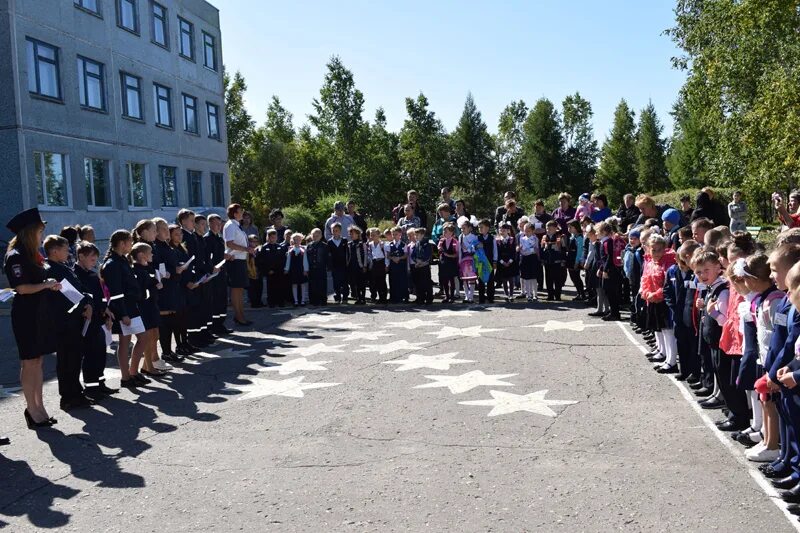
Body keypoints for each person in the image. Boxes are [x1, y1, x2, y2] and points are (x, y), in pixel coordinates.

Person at [43, 235, 95, 410]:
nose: (69, 252)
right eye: (66, 249)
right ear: (55, 251)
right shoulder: (51, 269)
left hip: (73, 319)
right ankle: (68, 396)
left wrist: (87, 302)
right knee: (67, 360)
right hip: (64, 322)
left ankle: (75, 392)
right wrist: (84, 306)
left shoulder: (62, 267)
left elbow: (80, 289)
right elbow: (65, 297)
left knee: (73, 358)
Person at [101, 230, 148, 389]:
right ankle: (127, 376)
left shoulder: (121, 260)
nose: (131, 245)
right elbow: (115, 293)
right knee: (132, 340)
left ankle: (132, 373)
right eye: (129, 242)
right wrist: (123, 315)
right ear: (122, 243)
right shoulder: (112, 264)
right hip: (124, 309)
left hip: (130, 307)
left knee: (136, 339)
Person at [74, 241, 118, 398]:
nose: (95, 262)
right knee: (90, 355)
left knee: (100, 354)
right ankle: (91, 388)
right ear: (81, 256)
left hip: (98, 320)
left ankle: (100, 384)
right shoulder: (76, 275)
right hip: (86, 321)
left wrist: (107, 315)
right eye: (92, 258)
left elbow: (102, 299)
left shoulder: (92, 275)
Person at [640, 234, 677, 372]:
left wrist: (656, 295)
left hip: (664, 301)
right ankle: (663, 352)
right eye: (653, 250)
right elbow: (645, 279)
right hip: (652, 300)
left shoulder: (668, 264)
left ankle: (671, 360)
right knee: (659, 328)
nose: (656, 253)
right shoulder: (650, 263)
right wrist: (646, 293)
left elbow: (667, 285)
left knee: (668, 331)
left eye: (659, 250)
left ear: (664, 249)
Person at [130, 242, 165, 378]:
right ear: (141, 255)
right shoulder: (136, 270)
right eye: (149, 253)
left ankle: (146, 366)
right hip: (145, 307)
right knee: (149, 337)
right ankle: (149, 367)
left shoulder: (147, 268)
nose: (152, 255)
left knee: (155, 335)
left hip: (152, 305)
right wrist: (155, 286)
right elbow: (141, 291)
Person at [223, 203, 254, 326]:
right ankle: (239, 316)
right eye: (240, 211)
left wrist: (247, 248)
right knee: (236, 289)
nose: (242, 213)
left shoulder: (237, 225)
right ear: (235, 213)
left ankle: (241, 315)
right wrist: (245, 249)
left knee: (240, 289)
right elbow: (229, 243)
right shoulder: (230, 225)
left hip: (240, 260)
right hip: (234, 260)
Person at [205, 214, 231, 336]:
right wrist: (212, 268)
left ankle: (220, 324)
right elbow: (208, 258)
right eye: (216, 224)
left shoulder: (220, 238)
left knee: (222, 299)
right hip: (213, 274)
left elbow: (220, 254)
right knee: (215, 300)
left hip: (222, 272)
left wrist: (226, 256)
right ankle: (214, 326)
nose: (218, 226)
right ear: (209, 224)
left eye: (220, 224)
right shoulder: (207, 239)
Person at [257, 229, 287, 308]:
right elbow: (262, 261)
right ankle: (271, 302)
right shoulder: (264, 247)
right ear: (268, 237)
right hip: (270, 271)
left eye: (274, 237)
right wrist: (267, 270)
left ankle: (280, 301)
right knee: (271, 287)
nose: (273, 239)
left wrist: (283, 269)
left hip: (279, 271)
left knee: (280, 287)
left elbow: (283, 259)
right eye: (271, 237)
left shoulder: (280, 247)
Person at [541, 220, 566, 301]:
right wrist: (542, 259)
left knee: (558, 280)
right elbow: (542, 249)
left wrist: (563, 260)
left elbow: (563, 249)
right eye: (547, 229)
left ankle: (557, 295)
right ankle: (550, 295)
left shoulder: (560, 237)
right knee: (548, 279)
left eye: (550, 229)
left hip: (557, 262)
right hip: (548, 262)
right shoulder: (544, 237)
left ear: (555, 228)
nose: (548, 231)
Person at [458, 217, 479, 304]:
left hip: (471, 259)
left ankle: (471, 296)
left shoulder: (474, 237)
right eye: (461, 228)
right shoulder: (460, 237)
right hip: (463, 260)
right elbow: (459, 250)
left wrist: (469, 249)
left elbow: (475, 249)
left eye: (464, 228)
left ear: (470, 228)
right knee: (464, 279)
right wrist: (459, 260)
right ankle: (466, 296)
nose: (463, 230)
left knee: (472, 279)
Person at [346, 226, 369, 305]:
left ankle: (363, 298)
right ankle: (358, 298)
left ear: (358, 234)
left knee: (361, 283)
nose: (351, 235)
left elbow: (365, 255)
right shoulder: (349, 244)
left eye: (353, 233)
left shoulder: (362, 244)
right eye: (350, 233)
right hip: (352, 266)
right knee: (355, 283)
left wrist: (365, 266)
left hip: (360, 266)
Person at [284, 232, 309, 306]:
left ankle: (303, 300)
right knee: (294, 285)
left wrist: (306, 270)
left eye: (298, 239)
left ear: (301, 240)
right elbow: (288, 260)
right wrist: (286, 269)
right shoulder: (290, 250)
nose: (297, 241)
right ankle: (296, 301)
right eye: (295, 239)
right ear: (292, 240)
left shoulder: (303, 249)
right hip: (293, 270)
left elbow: (305, 260)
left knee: (302, 285)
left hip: (301, 269)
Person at [306, 228, 329, 306]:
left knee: (322, 284)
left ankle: (323, 300)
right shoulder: (309, 246)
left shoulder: (324, 246)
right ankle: (313, 300)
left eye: (317, 235)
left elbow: (327, 257)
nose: (315, 237)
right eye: (313, 235)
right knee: (312, 285)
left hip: (321, 268)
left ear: (321, 236)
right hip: (312, 268)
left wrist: (328, 266)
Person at [518, 223, 541, 302]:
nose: (526, 232)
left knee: (533, 278)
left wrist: (529, 250)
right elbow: (522, 250)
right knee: (526, 278)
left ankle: (535, 294)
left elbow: (535, 249)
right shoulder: (522, 239)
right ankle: (529, 295)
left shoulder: (535, 238)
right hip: (525, 259)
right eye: (525, 231)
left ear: (533, 231)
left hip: (533, 259)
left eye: (528, 231)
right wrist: (526, 250)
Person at [476, 219, 497, 304]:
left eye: (482, 227)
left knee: (490, 280)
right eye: (479, 227)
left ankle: (490, 297)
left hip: (489, 261)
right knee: (481, 280)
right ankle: (481, 298)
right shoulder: (477, 238)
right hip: (481, 262)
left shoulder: (492, 238)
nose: (480, 229)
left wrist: (495, 261)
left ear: (487, 228)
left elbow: (495, 250)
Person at [410, 227, 434, 305]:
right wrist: (416, 261)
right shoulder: (416, 244)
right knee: (418, 283)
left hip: (425, 266)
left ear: (422, 235)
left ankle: (429, 299)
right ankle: (420, 298)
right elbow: (413, 255)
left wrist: (422, 261)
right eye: (415, 235)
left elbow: (428, 255)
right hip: (418, 265)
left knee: (426, 283)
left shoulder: (427, 244)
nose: (416, 237)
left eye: (417, 235)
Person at [495, 222, 517, 301]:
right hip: (501, 262)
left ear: (508, 230)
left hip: (511, 262)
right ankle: (506, 294)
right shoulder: (497, 240)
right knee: (504, 279)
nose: (501, 231)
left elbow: (513, 252)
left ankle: (511, 294)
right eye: (500, 229)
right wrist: (502, 262)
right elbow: (497, 252)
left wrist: (509, 261)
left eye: (504, 229)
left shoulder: (512, 239)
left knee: (511, 279)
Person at [327, 223, 349, 303]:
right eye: (333, 230)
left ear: (340, 231)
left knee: (344, 281)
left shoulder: (344, 240)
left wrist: (347, 262)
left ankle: (345, 297)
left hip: (343, 265)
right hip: (334, 265)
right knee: (336, 282)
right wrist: (329, 265)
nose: (335, 232)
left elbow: (347, 253)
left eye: (337, 230)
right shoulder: (329, 242)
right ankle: (338, 296)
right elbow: (329, 255)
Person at [438, 223, 459, 304]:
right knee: (444, 280)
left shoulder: (455, 241)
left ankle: (452, 296)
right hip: (443, 262)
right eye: (444, 231)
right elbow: (439, 248)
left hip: (451, 263)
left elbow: (456, 254)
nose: (444, 232)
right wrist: (440, 248)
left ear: (451, 232)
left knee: (451, 280)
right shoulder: (442, 240)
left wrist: (449, 255)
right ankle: (447, 296)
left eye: (446, 231)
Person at [388, 226, 409, 303]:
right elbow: (388, 255)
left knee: (402, 281)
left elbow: (406, 255)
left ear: (400, 234)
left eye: (396, 234)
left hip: (401, 265)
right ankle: (394, 297)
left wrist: (399, 258)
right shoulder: (389, 244)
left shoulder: (404, 244)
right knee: (393, 281)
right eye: (393, 234)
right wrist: (392, 258)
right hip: (393, 266)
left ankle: (404, 297)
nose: (394, 236)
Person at [367, 228, 389, 303]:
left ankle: (383, 298)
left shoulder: (383, 244)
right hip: (374, 263)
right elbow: (370, 255)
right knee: (374, 281)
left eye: (374, 235)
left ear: (378, 235)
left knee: (382, 281)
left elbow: (386, 256)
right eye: (371, 235)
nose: (372, 236)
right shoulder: (370, 244)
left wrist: (386, 265)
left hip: (381, 263)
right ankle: (377, 297)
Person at [566, 220, 585, 301]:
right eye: (568, 227)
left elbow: (579, 251)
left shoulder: (579, 238)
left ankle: (582, 294)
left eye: (571, 227)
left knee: (576, 277)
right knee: (573, 277)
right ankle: (579, 293)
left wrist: (577, 262)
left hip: (575, 260)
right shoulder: (572, 236)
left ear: (576, 227)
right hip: (570, 259)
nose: (569, 229)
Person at [246, 234, 263, 308]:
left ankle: (259, 301)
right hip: (250, 272)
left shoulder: (259, 249)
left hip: (258, 271)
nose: (254, 243)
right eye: (252, 241)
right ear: (249, 242)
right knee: (252, 289)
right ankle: (254, 303)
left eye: (256, 241)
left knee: (259, 287)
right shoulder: (247, 250)